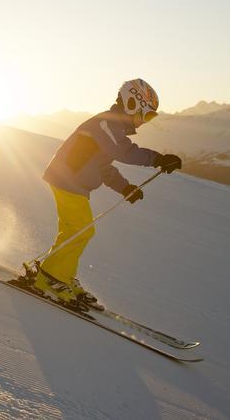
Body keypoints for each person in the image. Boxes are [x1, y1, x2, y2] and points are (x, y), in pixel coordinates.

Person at [26, 78, 182, 308]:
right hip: (66, 180)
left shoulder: (112, 128)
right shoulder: (106, 124)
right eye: (146, 115)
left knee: (75, 231)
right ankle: (51, 278)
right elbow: (124, 152)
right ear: (132, 104)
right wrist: (158, 159)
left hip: (72, 182)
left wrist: (124, 187)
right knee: (80, 231)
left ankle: (60, 274)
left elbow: (103, 166)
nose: (145, 122)